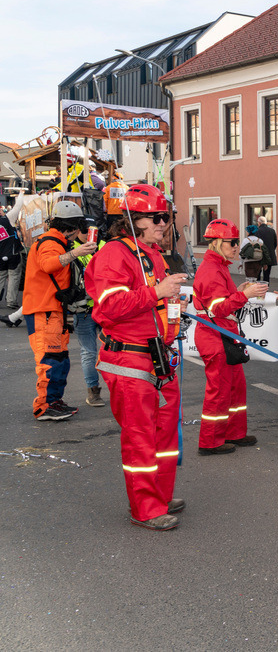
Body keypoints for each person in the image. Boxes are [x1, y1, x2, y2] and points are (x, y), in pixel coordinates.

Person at [84, 184, 189, 531]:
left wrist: (174, 305)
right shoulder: (115, 254)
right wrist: (158, 292)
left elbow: (151, 304)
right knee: (141, 438)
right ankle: (145, 507)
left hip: (158, 359)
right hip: (130, 360)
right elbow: (109, 308)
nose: (164, 223)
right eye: (157, 217)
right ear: (133, 220)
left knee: (164, 435)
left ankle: (159, 494)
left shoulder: (151, 254)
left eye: (167, 217)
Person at [193, 218, 269, 455]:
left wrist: (239, 292)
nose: (237, 246)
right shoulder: (212, 269)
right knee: (219, 390)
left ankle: (234, 433)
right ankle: (210, 441)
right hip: (215, 336)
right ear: (217, 243)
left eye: (237, 242)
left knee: (236, 387)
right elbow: (218, 309)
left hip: (223, 335)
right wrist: (244, 295)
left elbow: (219, 302)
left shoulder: (219, 267)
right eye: (232, 242)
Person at [24, 201, 97, 420]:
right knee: (50, 359)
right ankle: (44, 406)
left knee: (59, 358)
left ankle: (53, 401)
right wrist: (76, 252)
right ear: (73, 226)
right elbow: (48, 265)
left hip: (51, 310)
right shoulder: (51, 242)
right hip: (44, 311)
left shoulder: (55, 241)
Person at [72, 216, 106, 407]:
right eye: (85, 231)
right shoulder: (72, 249)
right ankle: (93, 391)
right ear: (77, 231)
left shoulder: (105, 246)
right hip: (83, 309)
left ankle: (121, 388)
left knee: (114, 349)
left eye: (92, 230)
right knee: (89, 353)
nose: (89, 234)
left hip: (104, 308)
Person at [256, 216, 278, 283]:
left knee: (257, 275)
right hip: (269, 256)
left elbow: (256, 244)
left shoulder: (257, 231)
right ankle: (266, 290)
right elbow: (275, 244)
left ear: (259, 223)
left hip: (259, 255)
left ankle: (258, 290)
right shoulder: (272, 231)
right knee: (267, 275)